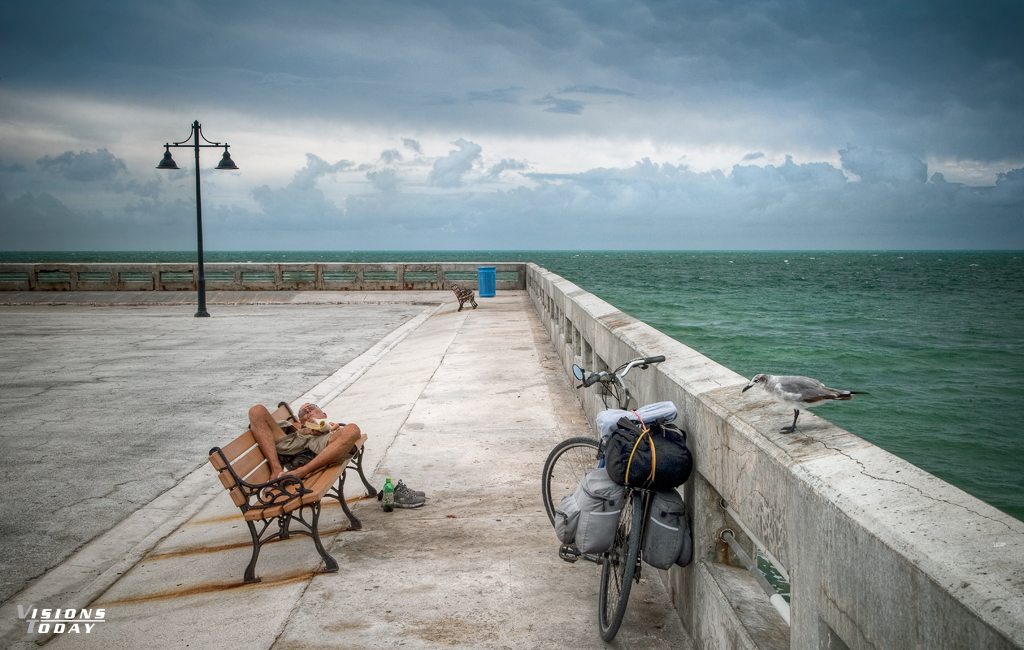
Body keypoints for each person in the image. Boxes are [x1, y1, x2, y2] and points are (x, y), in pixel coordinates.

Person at [247, 402, 425, 507]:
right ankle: (276, 470)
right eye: (303, 412)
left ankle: (304, 471)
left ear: (323, 414)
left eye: (311, 408)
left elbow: (335, 432)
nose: (308, 411)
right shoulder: (296, 427)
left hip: (324, 446)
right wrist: (305, 428)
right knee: (256, 409)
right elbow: (259, 420)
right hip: (294, 444)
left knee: (353, 428)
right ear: (300, 420)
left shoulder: (330, 429)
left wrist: (327, 427)